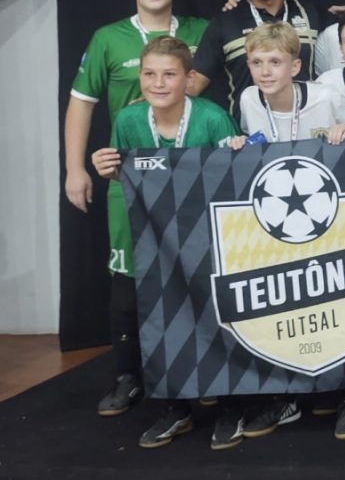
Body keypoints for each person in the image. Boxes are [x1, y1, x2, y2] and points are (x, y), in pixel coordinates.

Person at [65, 0, 208, 418]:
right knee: (128, 277)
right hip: (129, 181)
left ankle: (205, 371)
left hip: (191, 179)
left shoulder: (202, 31)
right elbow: (82, 103)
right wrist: (75, 168)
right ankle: (128, 375)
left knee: (196, 273)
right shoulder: (108, 38)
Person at [89, 37, 238, 448]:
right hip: (156, 239)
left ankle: (231, 405)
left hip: (206, 240)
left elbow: (234, 182)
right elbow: (125, 175)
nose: (158, 83)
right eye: (149, 74)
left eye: (169, 74)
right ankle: (175, 407)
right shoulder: (128, 120)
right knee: (162, 317)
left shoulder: (213, 119)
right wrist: (108, 168)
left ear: (189, 78)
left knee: (214, 317)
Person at [227, 22, 345, 438]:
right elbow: (254, 146)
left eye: (275, 62)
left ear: (295, 66)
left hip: (328, 216)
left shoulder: (325, 97)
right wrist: (238, 145)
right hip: (278, 222)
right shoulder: (249, 99)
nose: (265, 71)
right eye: (257, 62)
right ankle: (287, 399)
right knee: (284, 313)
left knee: (339, 308)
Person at [190, 0, 322, 124]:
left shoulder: (311, 13)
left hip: (306, 132)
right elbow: (194, 86)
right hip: (248, 136)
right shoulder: (226, 21)